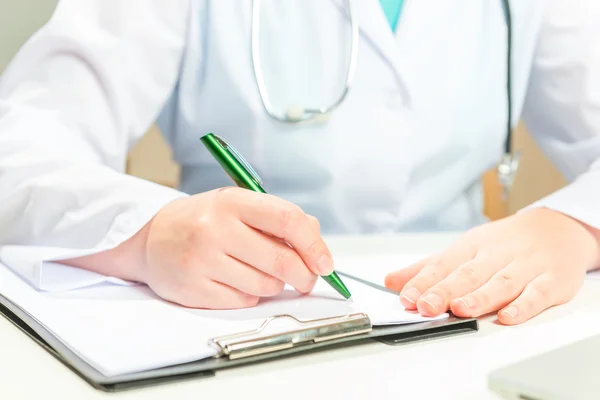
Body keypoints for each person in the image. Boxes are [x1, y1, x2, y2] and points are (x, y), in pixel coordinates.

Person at [0, 0, 599, 326]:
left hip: (457, 321)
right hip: (236, 320)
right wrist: (148, 231)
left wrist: (574, 227)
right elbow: (18, 153)